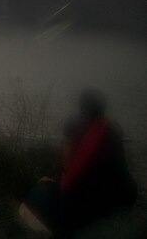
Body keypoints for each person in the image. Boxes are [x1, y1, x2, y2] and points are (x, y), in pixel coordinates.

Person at [19, 88, 137, 237]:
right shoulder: (108, 129)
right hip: (100, 196)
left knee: (46, 192)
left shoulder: (82, 129)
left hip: (84, 197)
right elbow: (118, 171)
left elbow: (68, 169)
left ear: (82, 109)